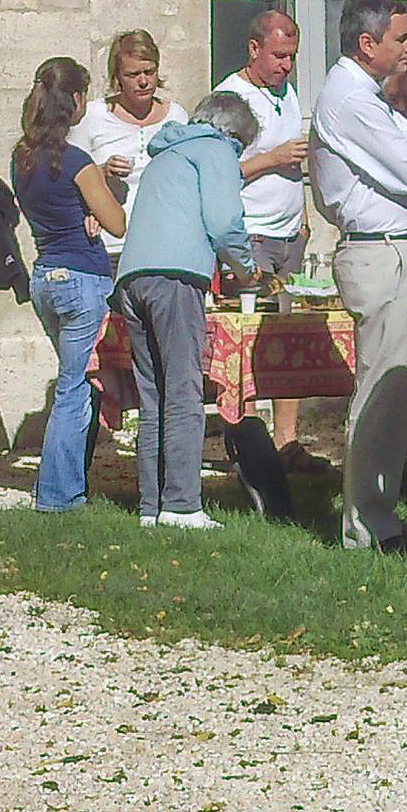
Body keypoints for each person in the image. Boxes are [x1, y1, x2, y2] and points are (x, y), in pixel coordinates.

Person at [310, 0, 407, 554]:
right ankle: (368, 527)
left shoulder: (366, 94)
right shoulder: (351, 98)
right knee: (383, 393)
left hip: (396, 251)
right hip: (383, 252)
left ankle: (374, 518)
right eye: (400, 38)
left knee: (394, 390)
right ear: (368, 44)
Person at [114, 92, 259, 529]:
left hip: (132, 276)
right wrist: (246, 269)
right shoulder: (215, 149)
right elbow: (224, 222)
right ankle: (181, 506)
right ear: (231, 133)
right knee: (183, 391)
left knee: (153, 396)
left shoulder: (166, 153)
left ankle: (151, 505)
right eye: (241, 146)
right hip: (175, 276)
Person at [11, 57, 130, 514]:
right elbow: (116, 223)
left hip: (45, 274)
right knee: (74, 389)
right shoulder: (78, 163)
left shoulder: (21, 157)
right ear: (76, 100)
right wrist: (100, 189)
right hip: (82, 277)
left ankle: (65, 484)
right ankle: (59, 494)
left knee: (72, 381)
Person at [212, 10, 321, 468]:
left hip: (289, 232)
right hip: (251, 234)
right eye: (278, 56)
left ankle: (286, 441)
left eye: (291, 56)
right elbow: (218, 171)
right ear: (254, 48)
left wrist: (304, 216)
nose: (285, 65)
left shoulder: (287, 93)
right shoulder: (230, 98)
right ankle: (248, 445)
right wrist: (272, 158)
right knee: (249, 339)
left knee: (287, 339)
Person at [69, 30, 175, 255]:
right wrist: (102, 171)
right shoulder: (93, 116)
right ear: (117, 77)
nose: (143, 81)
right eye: (133, 74)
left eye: (149, 72)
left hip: (164, 243)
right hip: (110, 244)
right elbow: (69, 178)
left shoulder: (176, 117)